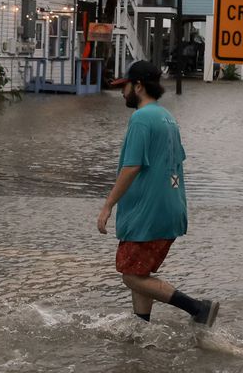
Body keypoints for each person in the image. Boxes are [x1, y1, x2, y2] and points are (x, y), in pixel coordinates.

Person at [97, 59, 218, 326]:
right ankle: (141, 329)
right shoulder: (168, 117)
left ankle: (197, 308)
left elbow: (131, 167)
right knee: (140, 275)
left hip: (148, 213)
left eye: (125, 86)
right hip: (170, 209)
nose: (121, 93)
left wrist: (107, 206)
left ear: (138, 86)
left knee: (130, 275)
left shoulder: (141, 119)